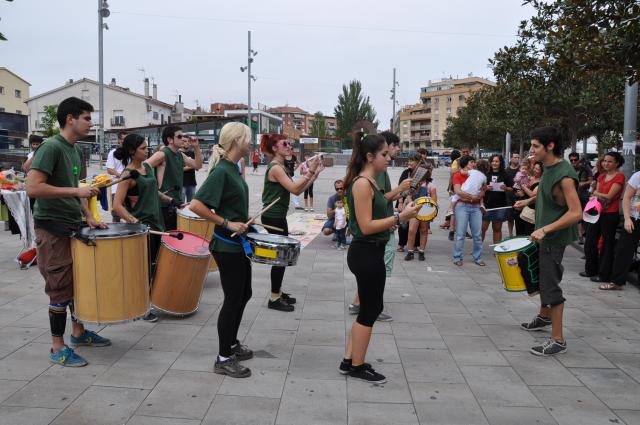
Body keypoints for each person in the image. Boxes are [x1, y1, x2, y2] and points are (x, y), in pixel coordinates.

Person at [26, 97, 111, 367]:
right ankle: (57, 347)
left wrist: (89, 215)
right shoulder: (51, 147)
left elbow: (77, 187)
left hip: (73, 225)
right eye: (86, 118)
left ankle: (78, 332)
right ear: (70, 119)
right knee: (59, 288)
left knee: (76, 284)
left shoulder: (75, 150)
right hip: (52, 228)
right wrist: (76, 191)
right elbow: (33, 187)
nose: (91, 123)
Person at [340, 131, 420, 383]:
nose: (389, 158)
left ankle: (349, 359)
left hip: (370, 250)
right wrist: (400, 217)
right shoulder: (363, 183)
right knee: (370, 309)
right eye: (384, 154)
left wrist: (397, 210)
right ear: (370, 156)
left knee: (368, 308)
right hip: (366, 251)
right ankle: (357, 366)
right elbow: (365, 226)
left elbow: (377, 211)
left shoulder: (371, 182)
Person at [190, 122, 254, 378]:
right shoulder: (222, 171)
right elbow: (196, 205)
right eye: (248, 139)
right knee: (233, 299)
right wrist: (227, 222)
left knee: (245, 294)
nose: (251, 143)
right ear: (237, 141)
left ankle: (232, 343)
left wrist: (244, 219)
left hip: (238, 244)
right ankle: (223, 358)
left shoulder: (234, 168)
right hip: (227, 247)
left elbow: (230, 204)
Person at [515, 127, 581, 356]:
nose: (531, 150)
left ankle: (558, 341)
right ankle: (544, 316)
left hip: (553, 238)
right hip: (543, 234)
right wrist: (528, 201)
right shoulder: (548, 168)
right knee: (533, 269)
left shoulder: (564, 175)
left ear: (550, 146)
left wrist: (546, 229)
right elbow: (545, 193)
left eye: (535, 146)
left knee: (550, 285)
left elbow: (576, 213)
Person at [260, 134, 323, 312]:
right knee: (280, 258)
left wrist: (314, 174)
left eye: (289, 143)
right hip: (272, 216)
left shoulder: (281, 166)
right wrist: (310, 171)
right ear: (274, 148)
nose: (289, 146)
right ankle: (274, 298)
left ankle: (278, 292)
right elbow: (295, 189)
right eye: (285, 144)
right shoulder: (275, 168)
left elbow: (299, 189)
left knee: (283, 256)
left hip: (278, 216)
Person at [112, 134, 166, 323]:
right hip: (143, 228)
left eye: (146, 146)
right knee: (144, 269)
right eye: (143, 148)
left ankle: (150, 301)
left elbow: (154, 192)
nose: (147, 150)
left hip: (157, 224)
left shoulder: (147, 168)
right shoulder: (127, 174)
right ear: (132, 151)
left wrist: (173, 201)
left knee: (155, 266)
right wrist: (134, 220)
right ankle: (142, 307)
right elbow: (117, 205)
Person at [580, 151, 625, 283]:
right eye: (605, 161)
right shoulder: (601, 176)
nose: (606, 163)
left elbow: (609, 196)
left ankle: (604, 274)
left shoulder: (619, 177)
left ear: (617, 163)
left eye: (610, 161)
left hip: (610, 214)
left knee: (607, 244)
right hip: (598, 211)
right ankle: (590, 269)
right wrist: (595, 194)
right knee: (590, 241)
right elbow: (597, 195)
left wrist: (595, 193)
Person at [145, 126, 203, 230]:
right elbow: (142, 168)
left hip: (175, 203)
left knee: (173, 235)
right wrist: (153, 186)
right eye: (179, 136)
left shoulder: (180, 155)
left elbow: (197, 165)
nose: (183, 139)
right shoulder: (162, 153)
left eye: (183, 136)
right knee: (165, 236)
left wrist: (196, 147)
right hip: (163, 206)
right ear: (170, 140)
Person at [603, 169, 640, 290]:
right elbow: (627, 198)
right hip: (634, 218)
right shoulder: (637, 176)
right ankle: (616, 282)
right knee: (623, 250)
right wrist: (627, 219)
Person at [451, 155, 486, 266]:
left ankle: (478, 257)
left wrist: (478, 196)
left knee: (477, 234)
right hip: (462, 206)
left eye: (474, 162)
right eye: (471, 162)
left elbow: (483, 190)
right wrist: (472, 197)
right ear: (465, 163)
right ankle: (457, 257)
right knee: (460, 233)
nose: (474, 164)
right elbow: (458, 191)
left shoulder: (477, 175)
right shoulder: (457, 175)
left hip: (476, 207)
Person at [404, 167, 436, 261]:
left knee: (424, 230)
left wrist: (430, 210)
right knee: (411, 230)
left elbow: (434, 200)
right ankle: (410, 251)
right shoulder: (413, 184)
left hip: (425, 211)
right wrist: (412, 203)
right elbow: (409, 195)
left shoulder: (431, 186)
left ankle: (421, 251)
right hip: (414, 209)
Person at [482, 154, 514, 244]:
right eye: (492, 161)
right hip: (486, 204)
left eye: (496, 161)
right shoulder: (485, 174)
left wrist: (506, 188)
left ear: (500, 163)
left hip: (500, 206)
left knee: (497, 228)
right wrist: (486, 188)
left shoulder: (505, 175)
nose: (494, 163)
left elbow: (512, 189)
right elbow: (479, 188)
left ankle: (496, 248)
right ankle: (477, 249)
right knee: (482, 228)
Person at [569, 152, 593, 244]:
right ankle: (580, 236)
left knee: (585, 215)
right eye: (571, 160)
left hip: (584, 195)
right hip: (573, 195)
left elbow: (591, 181)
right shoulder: (569, 169)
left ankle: (585, 235)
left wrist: (583, 183)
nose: (573, 162)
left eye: (575, 160)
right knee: (577, 214)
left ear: (578, 159)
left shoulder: (585, 168)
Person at [398, 154, 421, 251]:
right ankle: (401, 244)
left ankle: (415, 245)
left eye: (412, 160)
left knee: (416, 224)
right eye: (409, 160)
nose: (409, 162)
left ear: (418, 162)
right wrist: (400, 202)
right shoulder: (405, 172)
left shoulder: (421, 173)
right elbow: (400, 188)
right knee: (403, 223)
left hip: (417, 200)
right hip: (403, 200)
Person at [513, 161, 542, 236]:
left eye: (538, 169)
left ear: (542, 171)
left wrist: (522, 185)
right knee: (519, 232)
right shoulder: (528, 177)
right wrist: (517, 192)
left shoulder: (542, 181)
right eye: (534, 168)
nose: (535, 170)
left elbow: (532, 195)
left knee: (527, 234)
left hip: (529, 211)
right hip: (520, 208)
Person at [105, 131, 127, 222]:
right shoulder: (112, 153)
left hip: (129, 187)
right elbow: (109, 169)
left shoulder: (131, 153)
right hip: (116, 187)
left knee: (130, 214)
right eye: (123, 139)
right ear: (119, 140)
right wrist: (121, 175)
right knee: (116, 215)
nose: (125, 141)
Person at [505, 152, 520, 237]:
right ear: (511, 158)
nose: (517, 159)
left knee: (519, 217)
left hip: (520, 196)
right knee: (510, 217)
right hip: (509, 196)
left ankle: (519, 235)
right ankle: (510, 235)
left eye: (518, 157)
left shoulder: (521, 169)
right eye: (515, 157)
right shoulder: (506, 170)